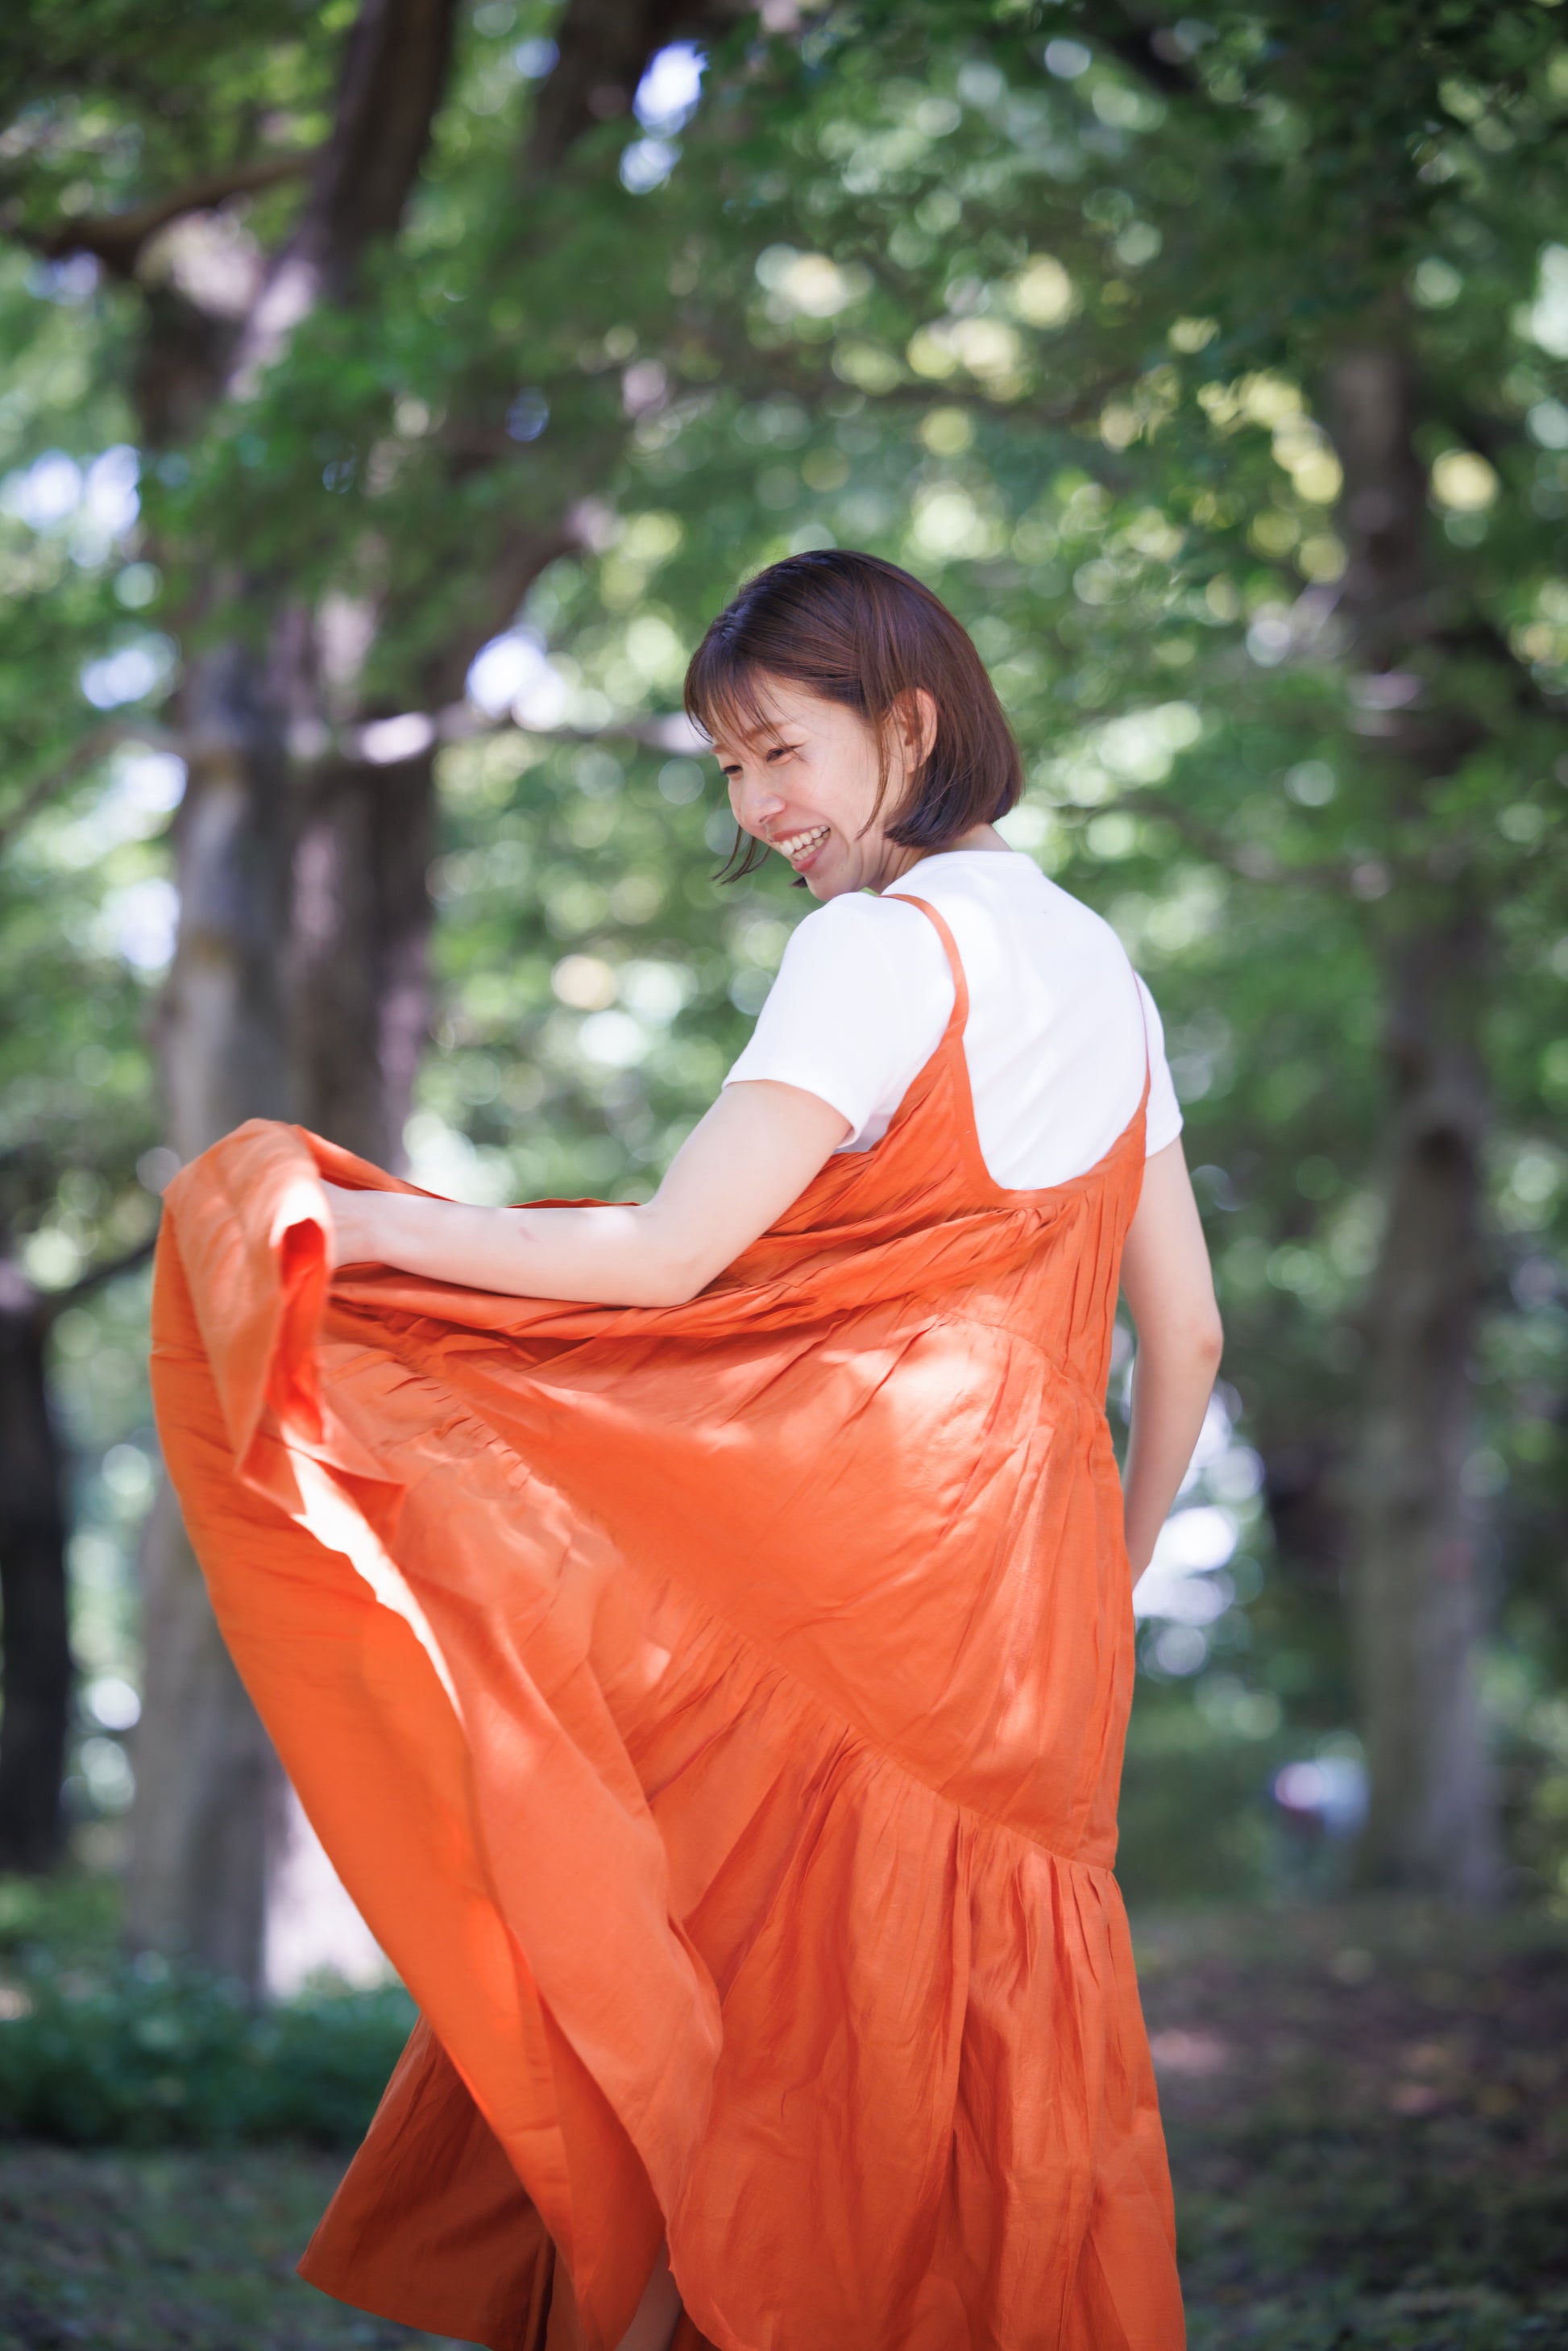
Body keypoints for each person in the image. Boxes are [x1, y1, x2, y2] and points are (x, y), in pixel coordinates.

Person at [151, 549, 1221, 2351]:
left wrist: (367, 1226)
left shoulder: (876, 949)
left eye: (779, 751)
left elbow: (664, 1257)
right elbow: (1180, 1332)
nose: (758, 806)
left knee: (713, 2044)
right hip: (1027, 1628)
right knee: (949, 2086)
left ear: (911, 723)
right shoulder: (1102, 967)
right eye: (727, 767)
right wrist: (1097, 1587)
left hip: (844, 1594)